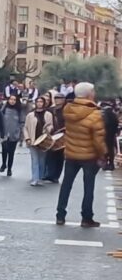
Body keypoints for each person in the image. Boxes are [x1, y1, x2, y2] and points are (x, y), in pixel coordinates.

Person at [56, 82, 107, 227]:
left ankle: (60, 215)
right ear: (89, 94)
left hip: (71, 153)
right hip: (89, 155)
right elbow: (98, 139)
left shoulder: (68, 109)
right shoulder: (95, 114)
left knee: (66, 184)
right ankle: (86, 217)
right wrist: (103, 154)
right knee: (88, 187)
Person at [24, 96, 54, 187]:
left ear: (44, 103)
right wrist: (27, 138)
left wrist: (48, 129)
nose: (39, 103)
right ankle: (35, 178)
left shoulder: (48, 114)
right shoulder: (30, 115)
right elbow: (25, 128)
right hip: (33, 140)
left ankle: (40, 178)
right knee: (34, 160)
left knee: (42, 160)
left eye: (41, 102)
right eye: (38, 102)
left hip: (43, 140)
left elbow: (51, 125)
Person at [0, 94, 24, 177]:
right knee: (4, 150)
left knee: (11, 152)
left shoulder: (19, 110)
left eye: (14, 100)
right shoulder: (4, 108)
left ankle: (9, 168)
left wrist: (19, 132)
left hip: (14, 134)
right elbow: (0, 119)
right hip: (5, 133)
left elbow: (22, 122)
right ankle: (4, 164)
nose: (12, 101)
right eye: (11, 99)